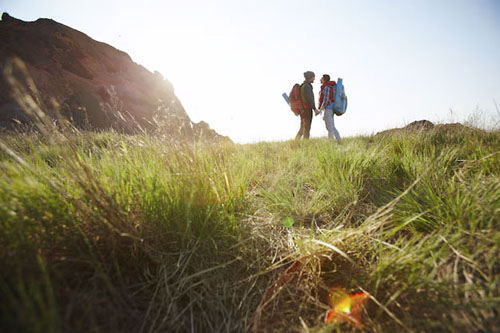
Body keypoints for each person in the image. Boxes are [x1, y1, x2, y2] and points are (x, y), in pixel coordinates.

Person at [295, 71, 319, 140]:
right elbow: (310, 98)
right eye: (313, 77)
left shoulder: (302, 86)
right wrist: (315, 109)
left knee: (302, 127)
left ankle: (295, 143)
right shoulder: (307, 86)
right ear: (310, 78)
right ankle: (304, 143)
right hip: (307, 109)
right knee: (307, 128)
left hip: (302, 110)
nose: (314, 79)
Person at [318, 74, 341, 143]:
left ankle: (331, 142)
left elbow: (326, 100)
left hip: (328, 108)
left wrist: (320, 109)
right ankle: (339, 140)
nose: (320, 80)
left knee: (329, 127)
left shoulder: (326, 87)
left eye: (321, 78)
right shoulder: (329, 86)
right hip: (330, 108)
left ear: (324, 80)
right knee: (332, 126)